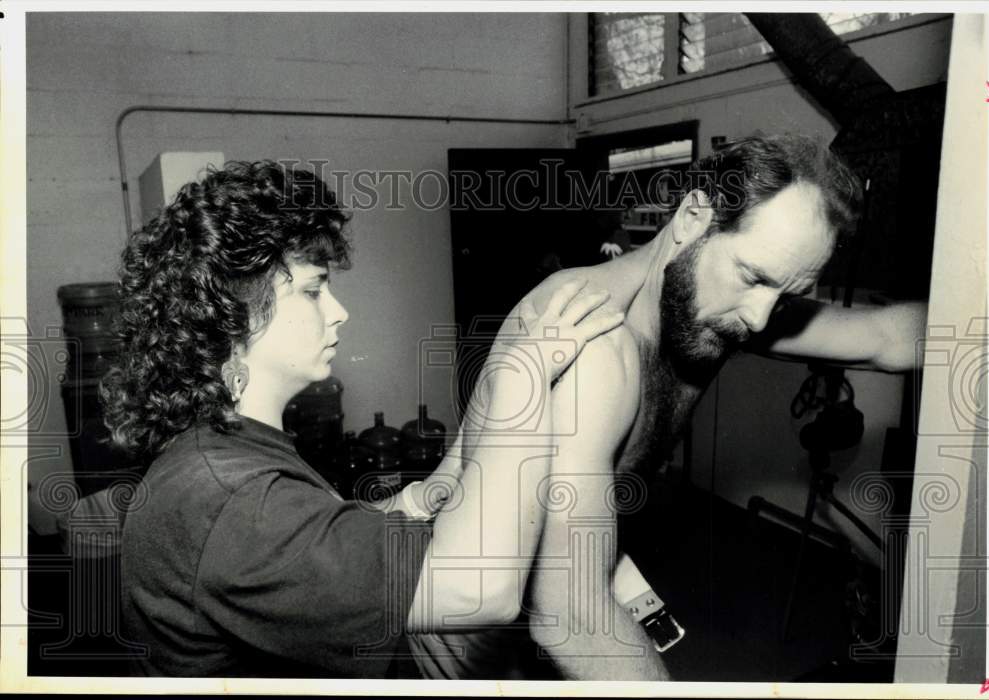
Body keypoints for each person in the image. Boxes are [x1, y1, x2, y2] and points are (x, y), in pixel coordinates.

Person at [412, 133, 928, 679]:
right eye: (754, 278)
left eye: (784, 294)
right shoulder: (593, 344)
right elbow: (571, 616)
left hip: (560, 589)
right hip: (473, 638)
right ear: (692, 217)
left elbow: (886, 338)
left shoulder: (711, 305)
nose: (760, 318)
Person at [101, 160, 631, 677]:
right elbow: (479, 589)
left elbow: (308, 537)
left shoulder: (225, 448)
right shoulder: (228, 500)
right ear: (234, 310)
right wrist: (526, 373)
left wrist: (412, 501)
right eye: (313, 290)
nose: (338, 311)